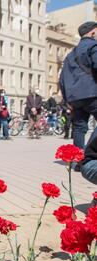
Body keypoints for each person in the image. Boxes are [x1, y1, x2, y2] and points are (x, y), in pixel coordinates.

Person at [60, 21, 97, 173]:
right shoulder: (93, 47)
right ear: (93, 33)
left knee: (79, 128)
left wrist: (67, 99)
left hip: (75, 97)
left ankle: (78, 161)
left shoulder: (70, 55)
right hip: (92, 92)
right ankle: (90, 157)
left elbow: (62, 79)